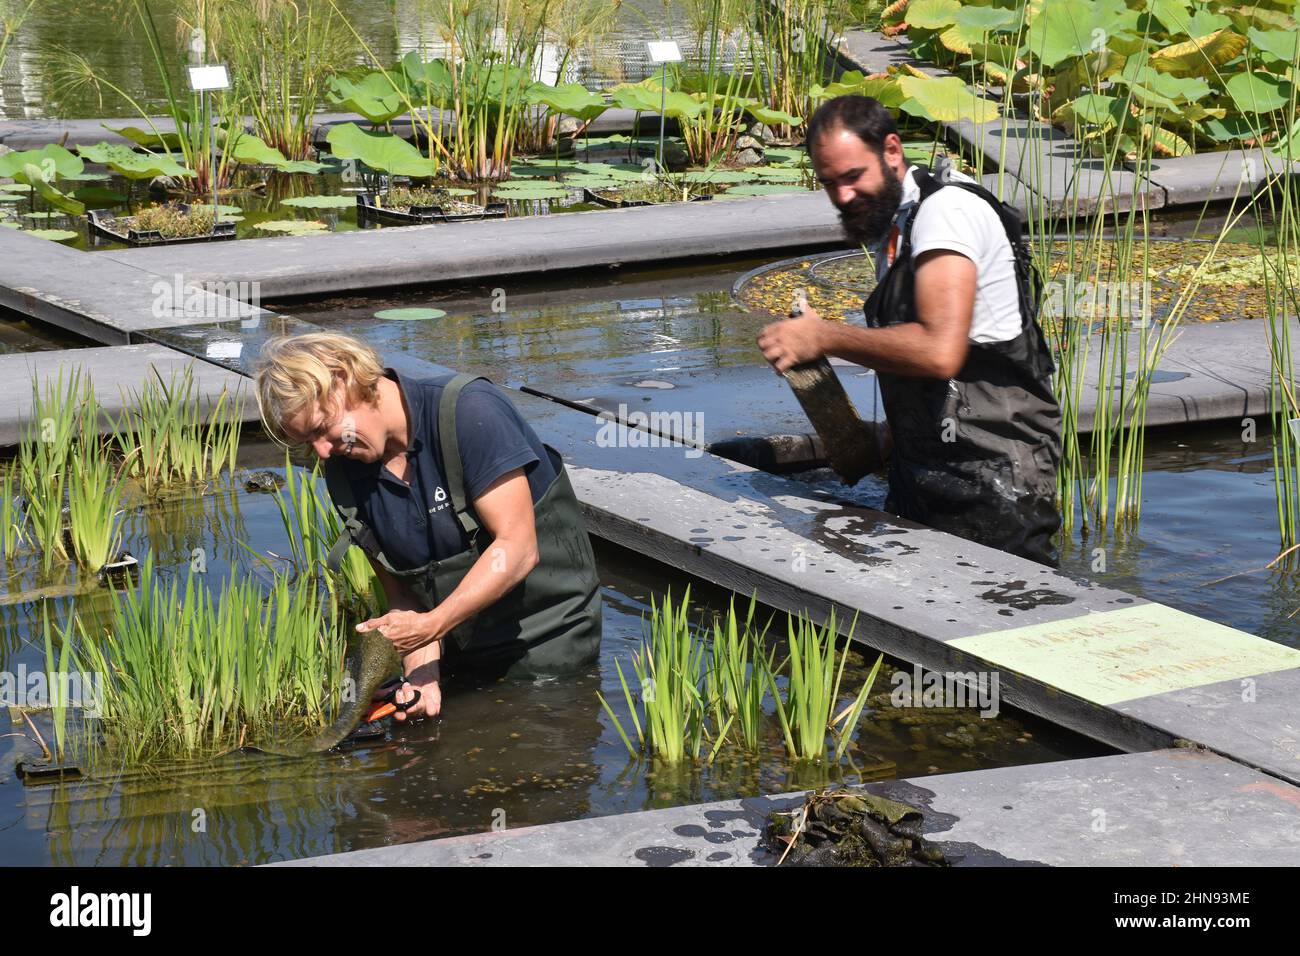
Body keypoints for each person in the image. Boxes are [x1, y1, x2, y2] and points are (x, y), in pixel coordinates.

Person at [758, 94, 1062, 566]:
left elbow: (941, 352)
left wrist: (822, 336)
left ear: (893, 151)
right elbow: (927, 375)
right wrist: (887, 441)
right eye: (828, 183)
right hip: (927, 468)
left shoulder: (948, 213)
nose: (841, 196)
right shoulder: (900, 224)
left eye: (853, 176)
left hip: (995, 474)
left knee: (1005, 622)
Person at [254, 332, 602, 721]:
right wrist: (422, 675)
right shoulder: (346, 473)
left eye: (321, 428)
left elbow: (518, 547)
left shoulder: (470, 413)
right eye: (307, 441)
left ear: (344, 377)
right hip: (460, 647)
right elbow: (405, 594)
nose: (321, 451)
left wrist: (432, 625)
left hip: (548, 640)